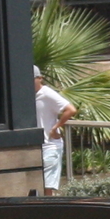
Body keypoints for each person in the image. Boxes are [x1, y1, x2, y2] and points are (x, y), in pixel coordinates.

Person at [34, 65, 76, 193]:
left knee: (47, 185)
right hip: (34, 145)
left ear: (40, 78)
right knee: (36, 184)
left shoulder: (47, 93)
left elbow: (71, 109)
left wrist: (55, 128)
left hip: (49, 145)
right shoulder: (26, 96)